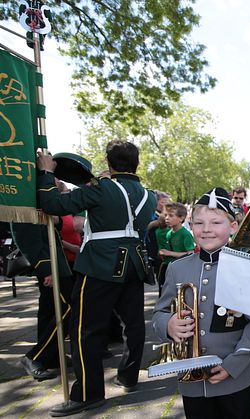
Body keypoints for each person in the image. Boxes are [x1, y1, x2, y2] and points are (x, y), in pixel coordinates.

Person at [37, 141, 156, 417]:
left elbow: (53, 204)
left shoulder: (101, 189)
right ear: (136, 163)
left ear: (109, 162)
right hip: (134, 263)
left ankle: (89, 393)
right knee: (134, 323)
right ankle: (128, 376)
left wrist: (45, 173)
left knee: (85, 329)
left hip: (102, 264)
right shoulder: (148, 195)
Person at [153, 188, 250, 418]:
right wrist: (168, 324)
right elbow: (159, 312)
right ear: (190, 225)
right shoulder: (177, 268)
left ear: (233, 227)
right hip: (192, 382)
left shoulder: (247, 267)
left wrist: (232, 365)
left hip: (235, 377)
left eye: (215, 222)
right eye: (199, 223)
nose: (206, 230)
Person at [12, 219, 74, 381]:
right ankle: (35, 357)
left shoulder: (43, 204)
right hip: (50, 265)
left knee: (49, 311)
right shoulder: (27, 202)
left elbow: (54, 228)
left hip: (57, 262)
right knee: (69, 308)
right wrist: (46, 269)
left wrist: (57, 219)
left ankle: (51, 356)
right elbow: (26, 237)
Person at [157, 202, 195, 294]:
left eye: (171, 216)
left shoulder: (185, 234)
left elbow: (190, 253)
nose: (166, 218)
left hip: (182, 268)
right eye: (165, 215)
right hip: (169, 267)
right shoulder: (169, 233)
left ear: (181, 218)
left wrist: (169, 253)